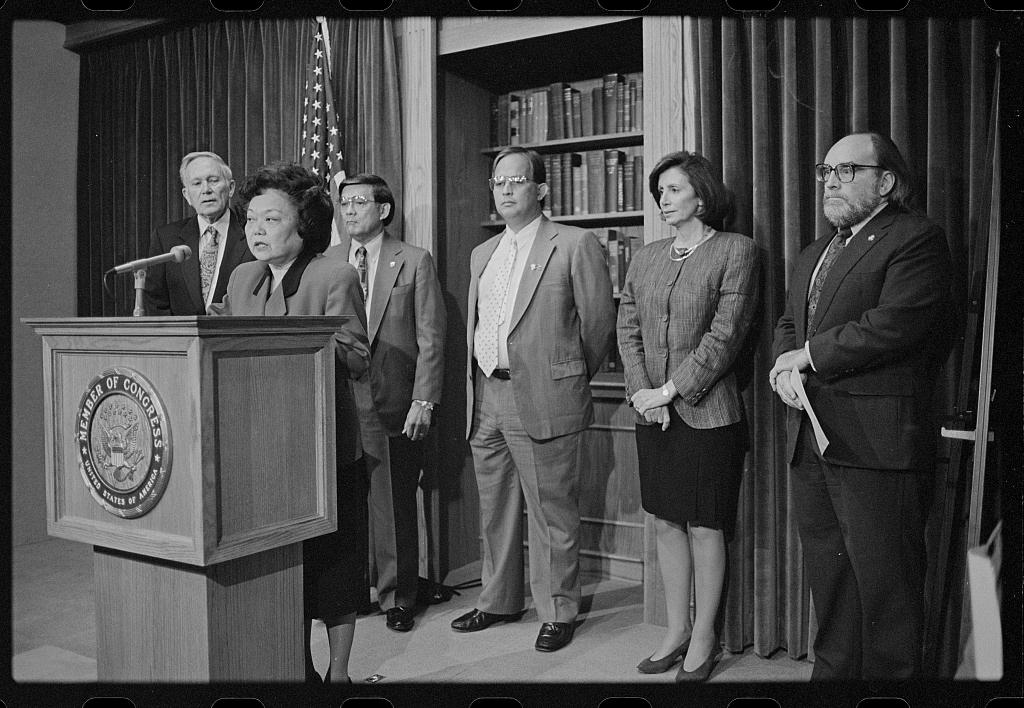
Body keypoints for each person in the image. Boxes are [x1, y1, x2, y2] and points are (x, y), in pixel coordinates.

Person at [770, 132, 953, 679]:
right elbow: (789, 325)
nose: (829, 181)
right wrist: (784, 365)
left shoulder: (916, 238)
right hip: (814, 440)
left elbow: (895, 324)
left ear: (886, 182)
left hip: (877, 443)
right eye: (825, 170)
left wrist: (807, 356)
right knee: (831, 580)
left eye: (846, 171)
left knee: (887, 590)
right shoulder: (815, 251)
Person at [208, 162, 370, 684]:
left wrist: (313, 339)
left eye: (270, 218)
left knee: (334, 569)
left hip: (323, 445)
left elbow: (359, 358)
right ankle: (291, 667)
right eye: (250, 218)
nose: (255, 229)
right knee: (283, 570)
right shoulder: (241, 278)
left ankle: (339, 675)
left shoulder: (333, 274)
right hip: (259, 448)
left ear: (303, 224)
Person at [451, 146, 616, 653]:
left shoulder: (574, 243)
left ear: (540, 189)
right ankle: (498, 600)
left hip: (545, 397)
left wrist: (564, 378)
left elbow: (597, 326)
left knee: (552, 512)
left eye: (516, 181)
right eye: (498, 182)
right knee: (495, 509)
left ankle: (558, 610)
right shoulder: (484, 252)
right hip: (486, 395)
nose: (504, 190)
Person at [617, 151, 760, 682]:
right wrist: (641, 393)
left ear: (701, 195)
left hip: (708, 414)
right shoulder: (647, 255)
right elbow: (626, 326)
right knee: (665, 522)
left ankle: (705, 638)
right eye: (660, 191)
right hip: (649, 413)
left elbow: (726, 337)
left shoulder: (736, 251)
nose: (663, 198)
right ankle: (675, 631)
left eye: (673, 189)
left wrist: (671, 391)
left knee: (704, 526)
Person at [324, 173, 446, 633]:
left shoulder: (413, 261)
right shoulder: (329, 259)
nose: (349, 210)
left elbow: (431, 339)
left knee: (392, 503)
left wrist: (424, 400)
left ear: (384, 209)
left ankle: (399, 596)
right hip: (337, 399)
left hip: (393, 400)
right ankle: (353, 592)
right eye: (344, 202)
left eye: (358, 202)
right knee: (345, 504)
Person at [145, 151, 253, 315]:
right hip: (182, 339)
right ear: (187, 195)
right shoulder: (166, 238)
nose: (206, 190)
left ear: (230, 188)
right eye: (196, 183)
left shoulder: (252, 232)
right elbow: (156, 304)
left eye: (213, 181)